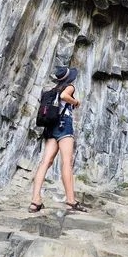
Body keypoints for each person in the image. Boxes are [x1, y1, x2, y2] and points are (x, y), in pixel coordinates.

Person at [29, 66, 88, 213]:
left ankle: (35, 201)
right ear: (70, 78)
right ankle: (70, 201)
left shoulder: (53, 90)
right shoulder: (70, 87)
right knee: (67, 163)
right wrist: (75, 102)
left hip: (51, 128)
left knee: (45, 162)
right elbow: (64, 97)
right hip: (63, 127)